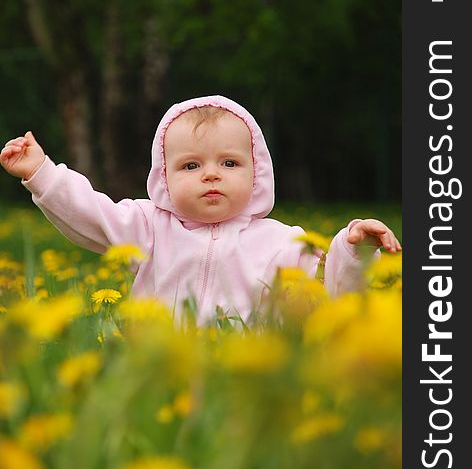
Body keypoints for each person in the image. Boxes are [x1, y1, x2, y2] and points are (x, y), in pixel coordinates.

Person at [1, 95, 401, 324]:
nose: (211, 175)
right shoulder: (148, 227)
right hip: (157, 364)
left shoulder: (284, 241)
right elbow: (89, 213)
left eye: (229, 163)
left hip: (241, 372)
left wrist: (354, 249)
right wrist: (41, 173)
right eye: (191, 166)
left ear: (256, 172)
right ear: (165, 177)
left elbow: (333, 292)